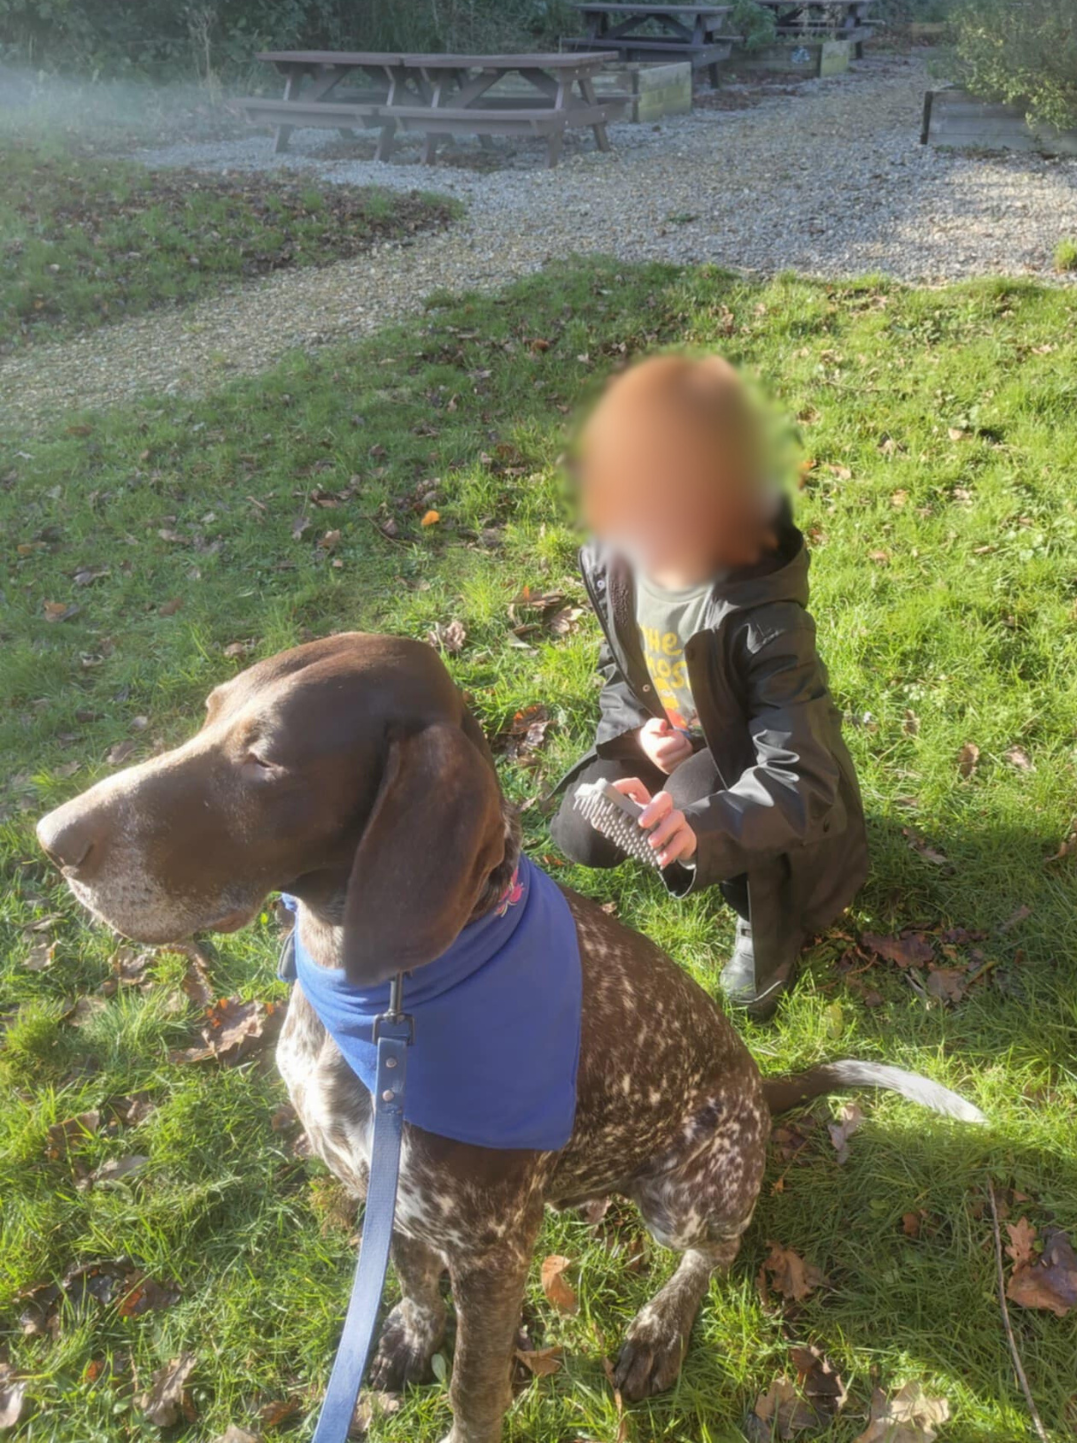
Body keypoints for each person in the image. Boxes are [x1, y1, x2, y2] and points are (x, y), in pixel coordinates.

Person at [551, 353, 868, 1020]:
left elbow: (800, 776)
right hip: (683, 736)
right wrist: (639, 732)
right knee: (580, 828)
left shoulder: (764, 615)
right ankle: (690, 812)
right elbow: (622, 666)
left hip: (756, 758)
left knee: (700, 802)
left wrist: (699, 827)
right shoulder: (616, 562)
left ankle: (761, 910)